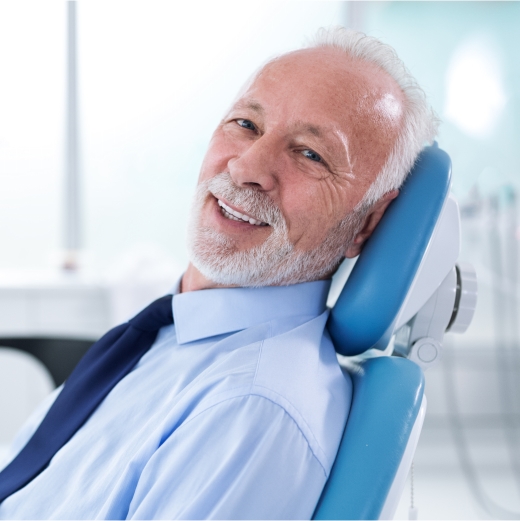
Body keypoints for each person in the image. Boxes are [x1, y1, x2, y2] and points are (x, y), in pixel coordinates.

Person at [0, 27, 438, 519]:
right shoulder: (169, 334)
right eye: (246, 124)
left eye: (311, 154)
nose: (247, 166)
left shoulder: (251, 408)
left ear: (368, 223)